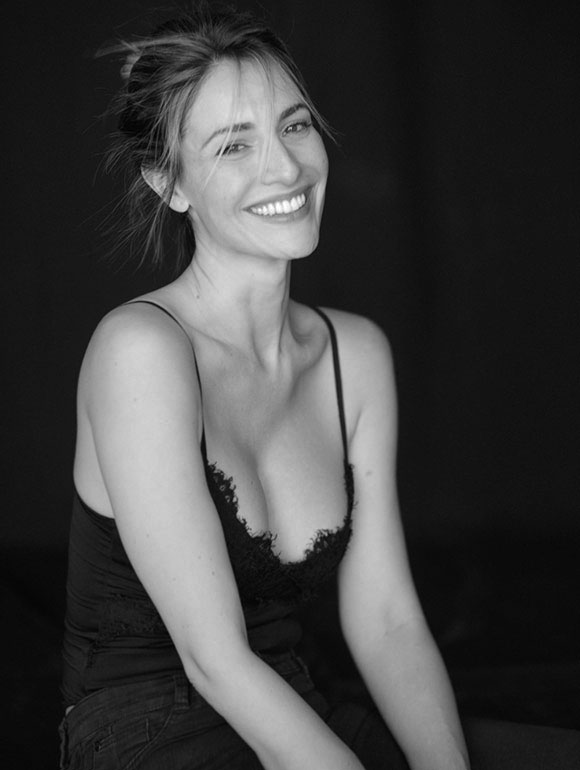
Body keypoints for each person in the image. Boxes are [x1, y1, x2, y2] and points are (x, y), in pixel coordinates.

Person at [59, 5, 579, 770]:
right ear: (168, 183)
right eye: (234, 144)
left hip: (296, 701)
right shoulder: (140, 350)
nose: (286, 168)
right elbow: (213, 660)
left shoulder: (354, 354)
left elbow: (388, 620)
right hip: (148, 729)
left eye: (294, 126)